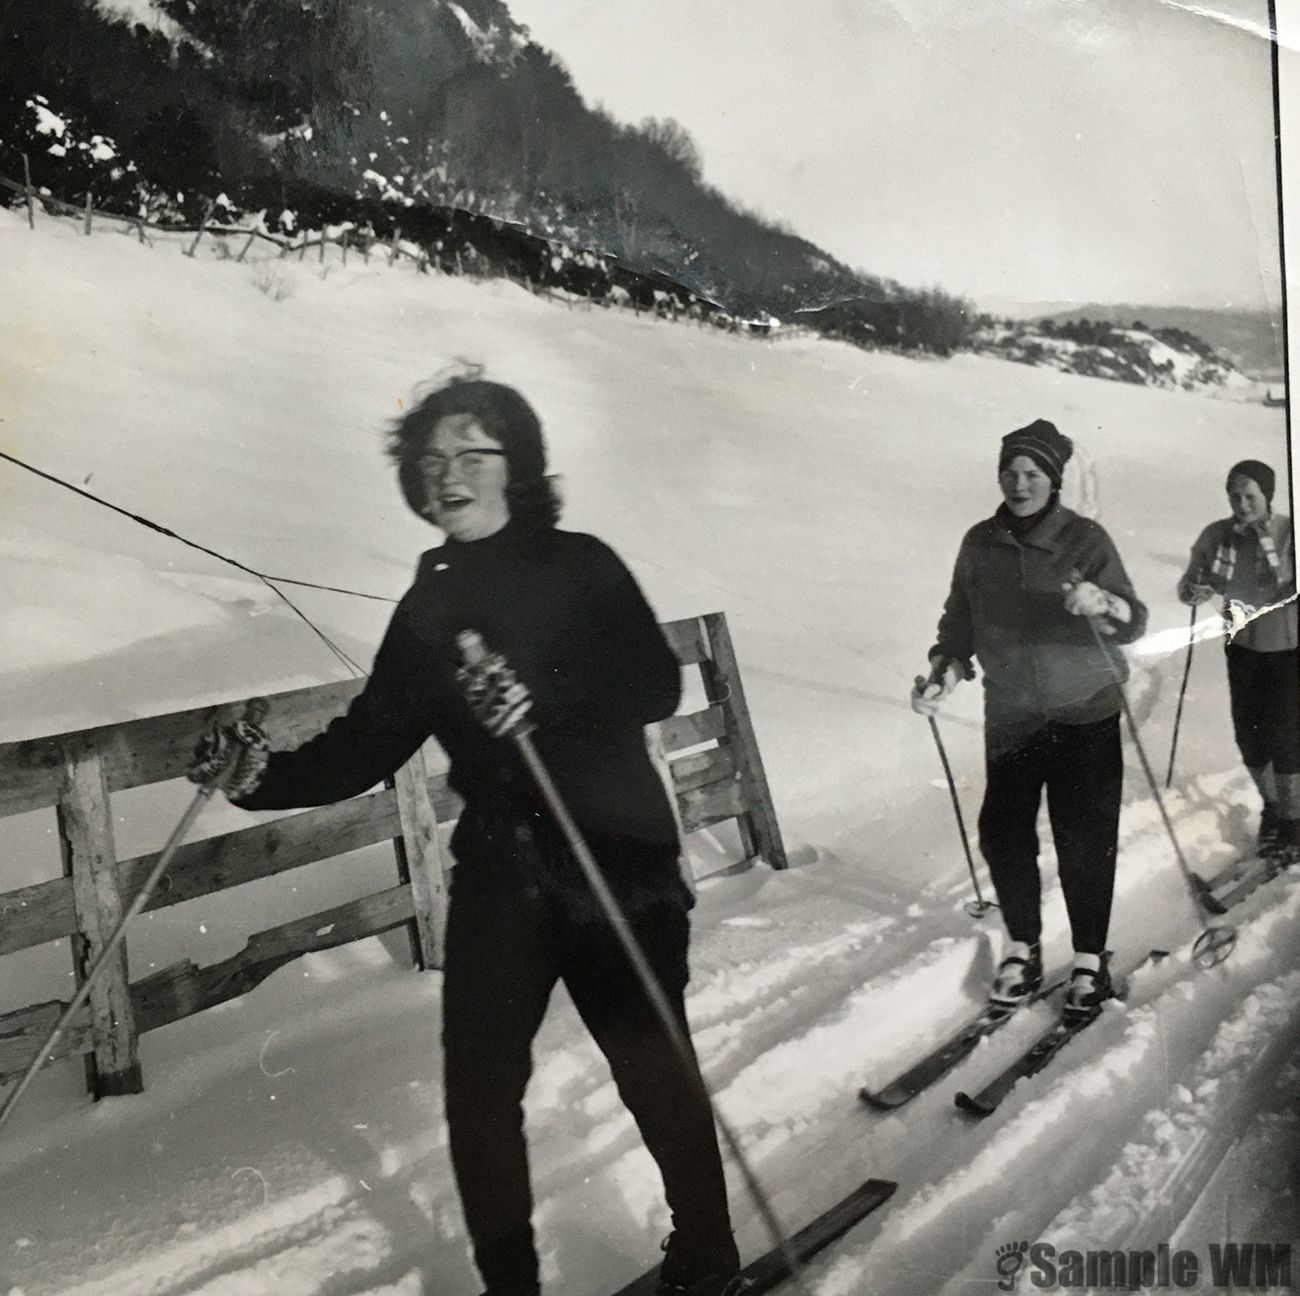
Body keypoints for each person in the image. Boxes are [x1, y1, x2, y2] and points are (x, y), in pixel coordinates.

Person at [191, 375, 739, 1296]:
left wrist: (544, 691)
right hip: (502, 872)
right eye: (431, 460)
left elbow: (654, 682)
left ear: (514, 466)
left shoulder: (581, 564)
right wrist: (258, 778)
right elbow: (368, 740)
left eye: (469, 455)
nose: (447, 475)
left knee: (650, 1070)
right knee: (478, 1098)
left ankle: (708, 1252)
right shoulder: (431, 604)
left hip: (614, 863)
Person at [911, 419, 1148, 1020]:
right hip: (1013, 712)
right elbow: (959, 623)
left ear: (1053, 480)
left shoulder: (1086, 540)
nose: (1019, 483)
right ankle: (1023, 944)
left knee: (1083, 839)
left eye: (1033, 474)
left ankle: (1090, 959)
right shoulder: (979, 542)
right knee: (1002, 831)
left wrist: (1103, 603)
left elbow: (1134, 620)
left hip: (1084, 712)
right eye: (1011, 472)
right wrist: (944, 671)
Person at [1178, 460, 1298, 862]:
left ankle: (1294, 820)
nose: (1242, 504)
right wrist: (1194, 590)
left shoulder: (1290, 533)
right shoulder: (1218, 536)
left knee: (1285, 737)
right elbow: (1190, 583)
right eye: (1235, 496)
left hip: (1287, 649)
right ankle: (1273, 808)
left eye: (1250, 496)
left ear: (1268, 495)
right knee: (1249, 737)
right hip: (1242, 648)